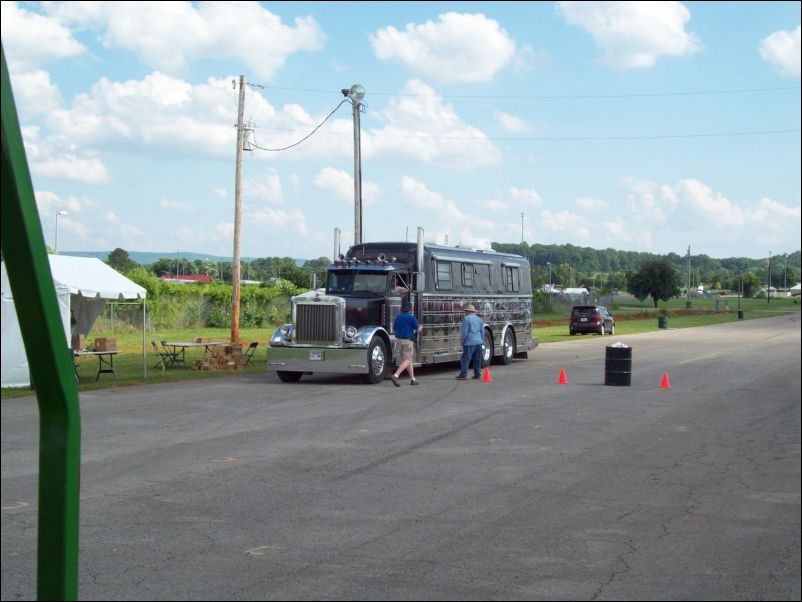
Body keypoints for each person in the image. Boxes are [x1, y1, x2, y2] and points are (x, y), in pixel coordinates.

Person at [391, 302, 423, 386]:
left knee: (409, 361)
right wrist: (420, 327)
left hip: (399, 341)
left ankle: (413, 379)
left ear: (402, 308)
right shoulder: (411, 318)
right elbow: (418, 329)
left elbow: (394, 328)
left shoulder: (398, 317)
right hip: (407, 341)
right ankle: (395, 375)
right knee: (407, 360)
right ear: (410, 308)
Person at [457, 304, 484, 380]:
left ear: (468, 311)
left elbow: (464, 332)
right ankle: (477, 374)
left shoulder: (466, 319)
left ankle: (463, 374)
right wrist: (481, 340)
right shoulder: (479, 319)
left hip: (469, 342)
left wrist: (462, 341)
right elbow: (482, 332)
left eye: (465, 311)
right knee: (477, 359)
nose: (465, 312)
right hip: (478, 341)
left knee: (465, 358)